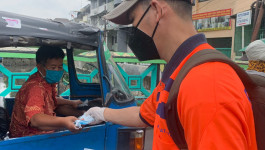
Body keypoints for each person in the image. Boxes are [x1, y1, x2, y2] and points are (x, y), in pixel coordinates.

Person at [85, 0, 257, 149]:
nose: (133, 31)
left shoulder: (206, 85)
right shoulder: (180, 70)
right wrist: (101, 113)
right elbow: (143, 115)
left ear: (157, 11)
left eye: (134, 20)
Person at [9, 46, 83, 138]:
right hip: (27, 137)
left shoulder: (45, 81)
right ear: (40, 67)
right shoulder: (35, 88)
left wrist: (72, 103)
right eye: (53, 67)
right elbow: (35, 119)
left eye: (60, 67)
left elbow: (51, 100)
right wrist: (64, 122)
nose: (57, 71)